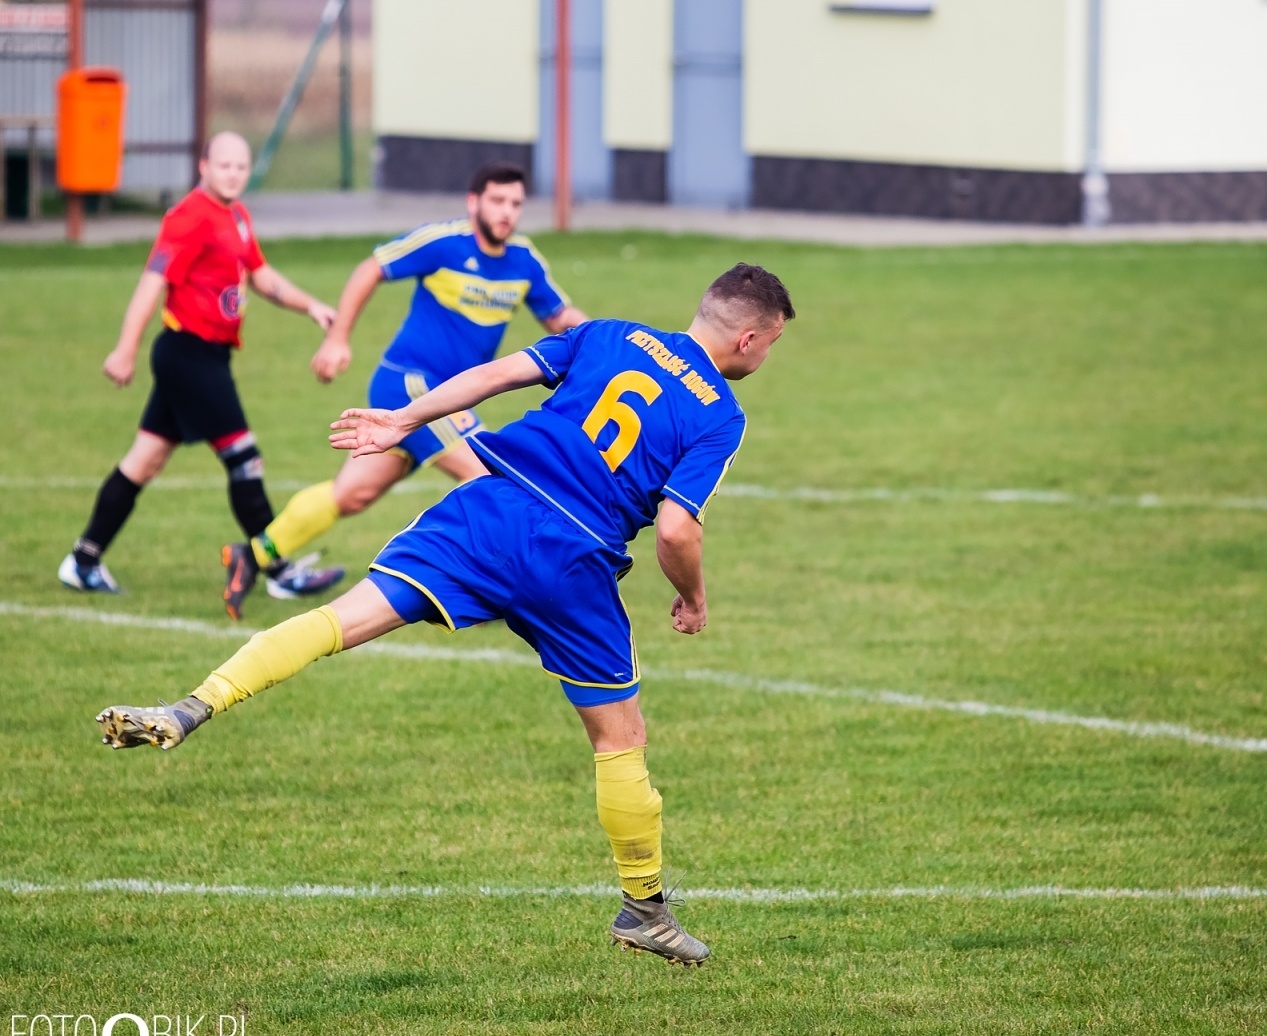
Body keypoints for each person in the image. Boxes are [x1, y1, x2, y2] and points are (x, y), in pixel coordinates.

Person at [97, 263, 797, 967]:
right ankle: (644, 909)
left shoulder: (607, 334)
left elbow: (494, 375)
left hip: (486, 512)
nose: (766, 357)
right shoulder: (720, 415)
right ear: (746, 339)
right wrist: (694, 597)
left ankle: (195, 704)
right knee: (620, 740)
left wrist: (405, 418)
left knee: (341, 620)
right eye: (770, 344)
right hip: (572, 562)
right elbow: (677, 530)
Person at [224, 161, 587, 620]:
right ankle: (511, 592)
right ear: (474, 202)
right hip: (411, 386)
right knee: (489, 475)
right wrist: (337, 338)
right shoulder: (443, 242)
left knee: (350, 494)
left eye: (515, 203)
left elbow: (560, 318)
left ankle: (252, 555)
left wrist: (611, 339)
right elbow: (369, 268)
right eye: (497, 201)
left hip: (452, 396)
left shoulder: (524, 261)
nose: (507, 212)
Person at [59, 131, 346, 611]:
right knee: (244, 458)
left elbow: (262, 276)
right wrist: (124, 348)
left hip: (206, 358)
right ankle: (277, 569)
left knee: (144, 460)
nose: (233, 173)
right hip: (187, 355)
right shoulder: (189, 217)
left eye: (241, 165)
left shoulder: (235, 215)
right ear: (204, 167)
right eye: (224, 165)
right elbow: (154, 281)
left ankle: (83, 561)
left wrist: (311, 306)